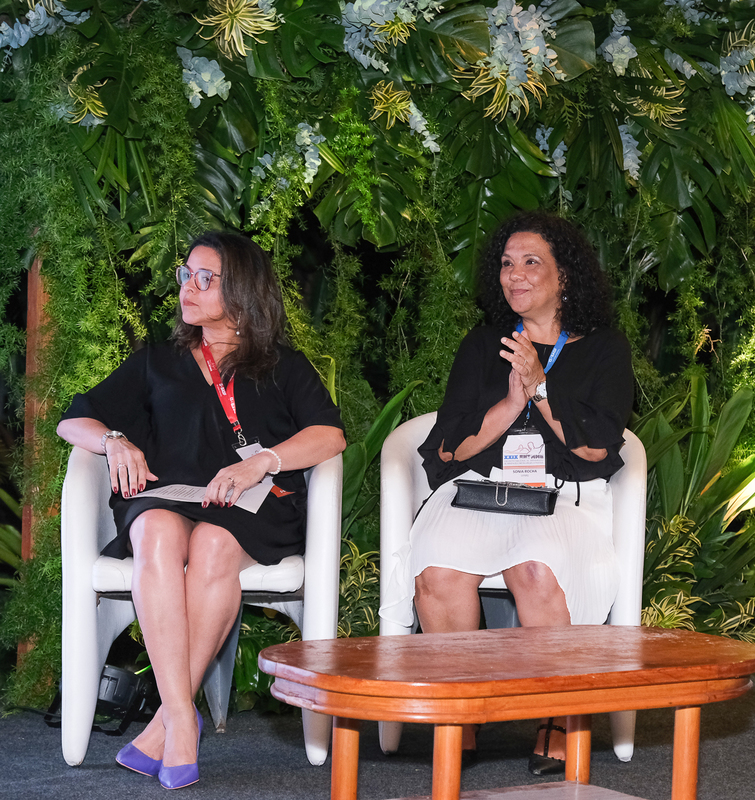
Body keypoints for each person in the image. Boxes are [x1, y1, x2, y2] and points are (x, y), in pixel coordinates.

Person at [58, 232, 345, 790]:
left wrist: (264, 461)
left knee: (213, 544)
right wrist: (114, 439)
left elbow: (329, 436)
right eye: (186, 274)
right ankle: (182, 720)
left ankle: (170, 720)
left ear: (241, 292)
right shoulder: (157, 360)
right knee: (157, 530)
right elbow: (76, 419)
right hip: (169, 496)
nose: (189, 286)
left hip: (250, 505)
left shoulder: (280, 364)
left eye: (204, 278)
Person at [397, 210, 634, 774]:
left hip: (562, 495)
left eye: (532, 262)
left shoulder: (605, 348)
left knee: (536, 570)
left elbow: (597, 449)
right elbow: (448, 448)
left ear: (565, 276)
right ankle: (463, 712)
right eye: (507, 263)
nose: (516, 275)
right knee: (439, 573)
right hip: (479, 491)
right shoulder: (482, 345)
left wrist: (542, 387)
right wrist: (510, 402)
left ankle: (556, 716)